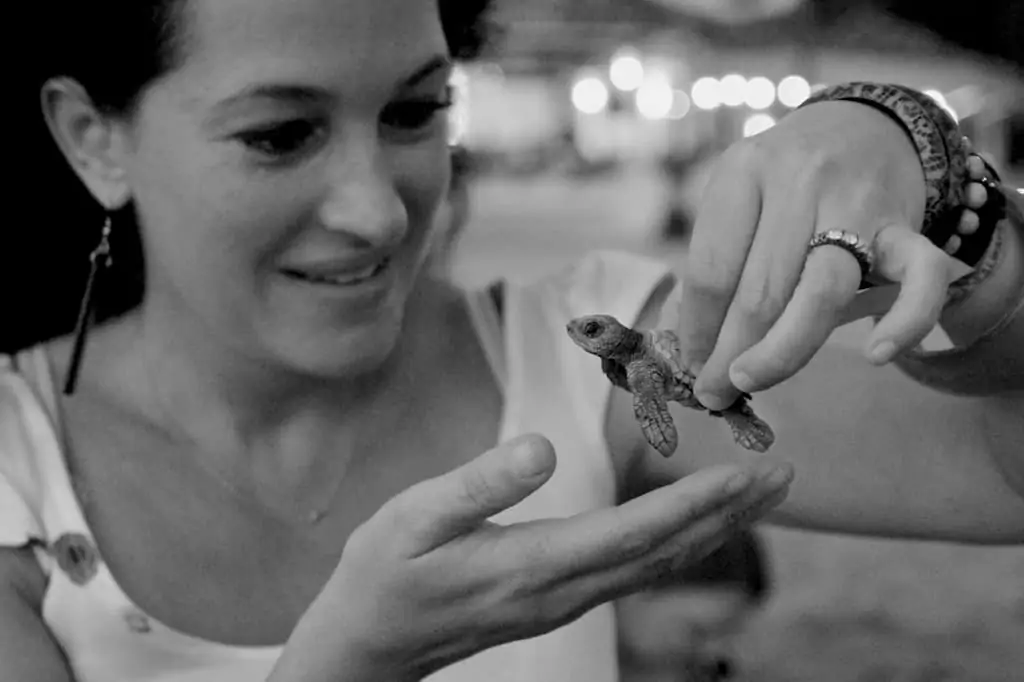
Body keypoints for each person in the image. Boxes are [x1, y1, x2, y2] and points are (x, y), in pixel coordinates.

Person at [2, 1, 1021, 682]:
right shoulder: (15, 466)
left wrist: (941, 184)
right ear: (94, 137)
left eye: (415, 112)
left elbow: (997, 469)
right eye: (280, 134)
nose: (378, 214)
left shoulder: (594, 350)